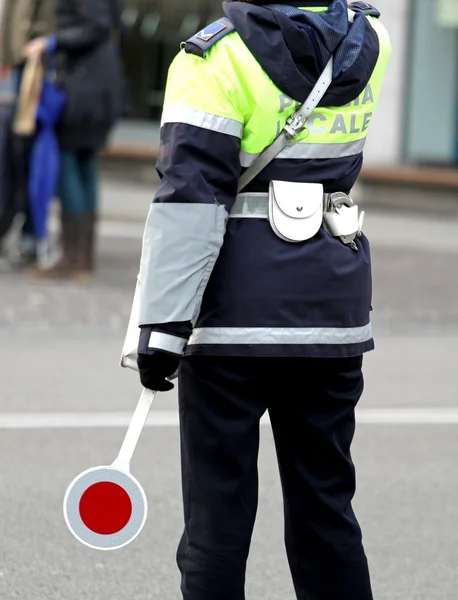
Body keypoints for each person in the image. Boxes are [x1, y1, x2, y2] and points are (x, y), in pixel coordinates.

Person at [135, 1, 391, 598]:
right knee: (326, 511)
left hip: (231, 316)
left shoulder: (215, 56)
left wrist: (163, 330)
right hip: (333, 308)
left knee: (216, 525)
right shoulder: (368, 40)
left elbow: (191, 200)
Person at [22, 0, 124, 280]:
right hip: (101, 85)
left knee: (69, 161)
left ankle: (73, 257)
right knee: (85, 164)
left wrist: (51, 41)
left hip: (83, 89)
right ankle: (83, 257)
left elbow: (95, 27)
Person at [0, 0, 55, 266]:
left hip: (34, 65)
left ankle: (30, 237)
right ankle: (23, 236)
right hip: (14, 65)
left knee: (26, 156)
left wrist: (42, 39)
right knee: (12, 156)